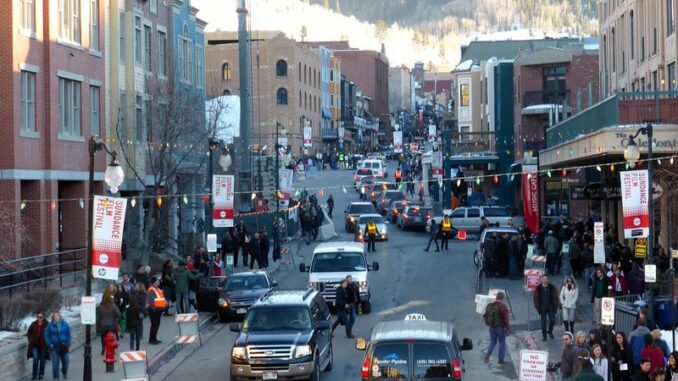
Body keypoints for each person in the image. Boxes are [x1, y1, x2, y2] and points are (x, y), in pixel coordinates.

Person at [483, 292, 510, 365]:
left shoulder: (490, 305)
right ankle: (501, 359)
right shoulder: (502, 307)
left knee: (493, 341)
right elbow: (505, 319)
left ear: (496, 297)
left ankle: (487, 355)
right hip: (500, 327)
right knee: (502, 342)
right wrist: (507, 328)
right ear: (502, 298)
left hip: (491, 327)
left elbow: (485, 315)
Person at [44, 311, 71, 381]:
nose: (56, 317)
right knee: (55, 362)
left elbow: (69, 334)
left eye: (57, 316)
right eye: (54, 316)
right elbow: (46, 335)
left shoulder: (65, 324)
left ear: (60, 316)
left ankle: (64, 372)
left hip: (64, 346)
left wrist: (68, 343)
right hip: (54, 347)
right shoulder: (50, 326)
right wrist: (49, 343)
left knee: (66, 361)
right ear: (53, 318)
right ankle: (56, 377)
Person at [96, 285, 121, 355]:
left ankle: (103, 348)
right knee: (112, 338)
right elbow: (119, 314)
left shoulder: (101, 307)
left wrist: (98, 327)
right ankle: (111, 349)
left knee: (103, 338)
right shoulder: (113, 306)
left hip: (103, 326)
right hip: (111, 325)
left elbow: (98, 318)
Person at [534, 275, 560, 341]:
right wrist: (536, 305)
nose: (545, 280)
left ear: (548, 280)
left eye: (546, 279)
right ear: (541, 280)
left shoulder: (551, 287)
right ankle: (544, 335)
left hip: (550, 306)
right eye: (543, 279)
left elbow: (555, 296)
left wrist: (557, 304)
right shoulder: (538, 288)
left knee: (553, 320)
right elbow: (535, 297)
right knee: (543, 323)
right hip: (542, 307)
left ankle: (550, 331)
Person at [27, 311, 48, 380]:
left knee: (42, 360)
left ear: (43, 317)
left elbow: (50, 334)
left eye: (40, 317)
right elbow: (29, 333)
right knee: (35, 359)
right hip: (35, 345)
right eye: (38, 317)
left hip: (43, 346)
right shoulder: (33, 324)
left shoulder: (47, 324)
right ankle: (34, 375)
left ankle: (41, 374)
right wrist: (30, 340)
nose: (39, 318)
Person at [146, 275, 167, 345]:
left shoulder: (157, 289)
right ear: (155, 282)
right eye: (158, 280)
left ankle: (154, 338)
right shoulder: (152, 289)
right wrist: (155, 309)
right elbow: (151, 301)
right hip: (154, 310)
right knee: (154, 325)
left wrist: (165, 303)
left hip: (158, 310)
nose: (159, 281)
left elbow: (161, 298)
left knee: (156, 325)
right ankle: (152, 339)